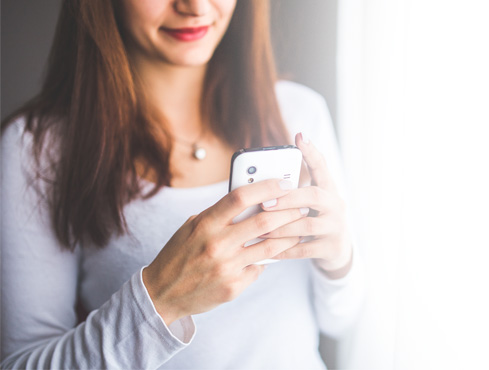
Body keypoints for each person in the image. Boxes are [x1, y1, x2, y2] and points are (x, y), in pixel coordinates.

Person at [1, 0, 364, 368]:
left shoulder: (300, 113)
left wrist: (338, 258)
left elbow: (341, 319)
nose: (195, 7)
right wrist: (161, 299)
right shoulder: (37, 149)